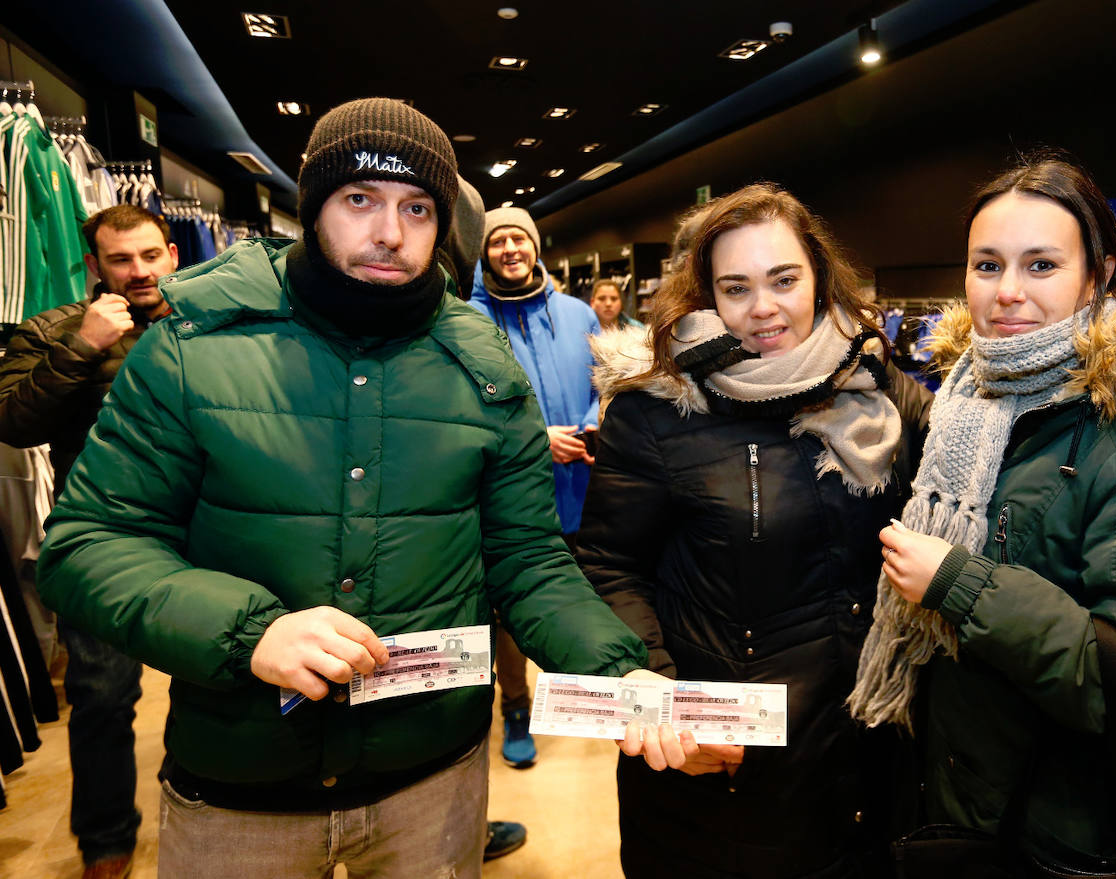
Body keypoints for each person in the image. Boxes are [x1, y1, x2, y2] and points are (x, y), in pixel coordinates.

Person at [36, 97, 652, 879]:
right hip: (240, 791)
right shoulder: (191, 350)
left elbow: (528, 561)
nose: (389, 232)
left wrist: (620, 673)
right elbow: (86, 545)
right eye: (360, 200)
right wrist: (247, 631)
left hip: (430, 784)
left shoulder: (487, 370)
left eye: (417, 208)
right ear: (313, 207)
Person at [849, 154, 1116, 869]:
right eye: (987, 265)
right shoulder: (969, 405)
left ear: (1098, 276)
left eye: (1040, 266)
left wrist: (964, 585)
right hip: (970, 811)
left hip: (1064, 841)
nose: (1006, 293)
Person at [579, 183, 931, 878]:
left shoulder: (875, 382)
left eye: (783, 279)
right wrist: (653, 690)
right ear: (705, 294)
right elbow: (607, 566)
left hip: (869, 754)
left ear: (819, 278)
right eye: (735, 287)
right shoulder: (658, 410)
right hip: (729, 772)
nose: (762, 308)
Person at [0, 203, 177, 879]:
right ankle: (105, 839)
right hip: (101, 533)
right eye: (121, 259)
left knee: (228, 676)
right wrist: (82, 348)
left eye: (149, 255)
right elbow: (13, 423)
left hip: (205, 527)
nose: (138, 271)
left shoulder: (209, 321)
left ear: (172, 254)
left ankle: (229, 805)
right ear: (94, 265)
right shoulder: (53, 329)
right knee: (103, 693)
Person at [469, 206, 600, 769]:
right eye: (498, 241)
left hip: (585, 484)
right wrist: (534, 436)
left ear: (535, 245)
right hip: (511, 490)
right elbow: (464, 400)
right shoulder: (468, 319)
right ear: (485, 251)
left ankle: (588, 691)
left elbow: (608, 376)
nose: (510, 249)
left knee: (584, 595)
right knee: (514, 611)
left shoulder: (577, 313)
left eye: (518, 237)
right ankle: (516, 708)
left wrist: (599, 416)